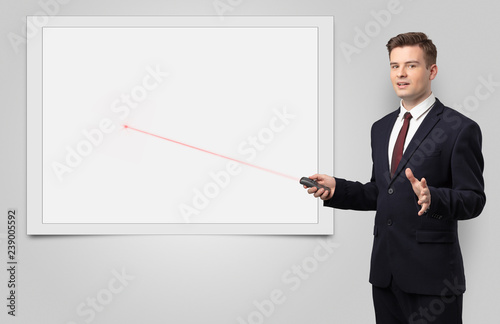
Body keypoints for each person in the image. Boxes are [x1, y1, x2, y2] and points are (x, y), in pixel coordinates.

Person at [305, 32, 485, 323]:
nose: (400, 73)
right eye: (394, 66)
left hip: (434, 279)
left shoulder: (459, 128)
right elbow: (381, 192)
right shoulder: (381, 128)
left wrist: (433, 197)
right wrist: (337, 189)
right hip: (385, 274)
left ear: (432, 70)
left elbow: (474, 200)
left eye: (411, 65)